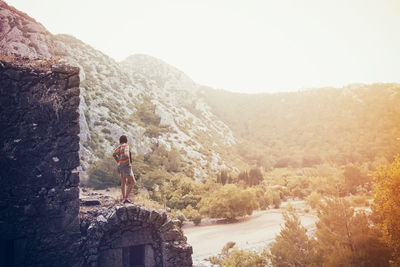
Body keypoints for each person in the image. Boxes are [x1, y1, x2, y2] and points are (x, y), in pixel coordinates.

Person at [113, 135, 136, 203]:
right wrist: (127, 162)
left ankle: (123, 198)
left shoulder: (119, 146)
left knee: (123, 182)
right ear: (126, 140)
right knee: (132, 182)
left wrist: (119, 162)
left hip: (121, 166)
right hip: (126, 166)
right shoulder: (126, 145)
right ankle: (125, 198)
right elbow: (126, 155)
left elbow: (114, 154)